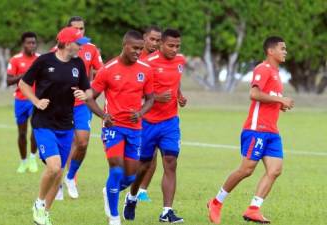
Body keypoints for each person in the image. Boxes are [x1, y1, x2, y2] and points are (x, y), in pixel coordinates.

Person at [207, 36, 294, 224]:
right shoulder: (262, 69)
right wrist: (280, 100)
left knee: (275, 169)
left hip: (272, 131)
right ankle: (216, 202)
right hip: (257, 129)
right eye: (282, 48)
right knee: (246, 170)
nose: (285, 51)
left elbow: (267, 98)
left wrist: (280, 105)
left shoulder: (277, 73)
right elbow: (253, 94)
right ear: (271, 51)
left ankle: (254, 209)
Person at [19, 27, 90, 225]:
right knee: (54, 166)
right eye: (79, 42)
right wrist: (36, 101)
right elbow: (23, 84)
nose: (82, 46)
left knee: (59, 173)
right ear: (68, 44)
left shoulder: (78, 64)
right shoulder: (44, 61)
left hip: (66, 125)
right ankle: (39, 203)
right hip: (44, 123)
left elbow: (88, 89)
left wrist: (85, 95)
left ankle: (44, 213)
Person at [85, 30, 154, 225]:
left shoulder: (145, 70)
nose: (138, 52)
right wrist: (103, 116)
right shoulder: (108, 69)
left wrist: (140, 113)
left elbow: (150, 99)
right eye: (135, 48)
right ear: (125, 45)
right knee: (116, 170)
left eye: (141, 49)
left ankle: (110, 190)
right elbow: (90, 98)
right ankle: (114, 217)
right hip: (113, 128)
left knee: (130, 176)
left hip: (135, 128)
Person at [123, 28, 187, 223]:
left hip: (170, 122)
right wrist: (157, 97)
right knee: (143, 166)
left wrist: (179, 96)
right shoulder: (146, 64)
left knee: (171, 162)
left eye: (178, 46)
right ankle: (132, 197)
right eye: (171, 45)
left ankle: (167, 211)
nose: (175, 49)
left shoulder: (180, 62)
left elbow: (175, 83)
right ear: (160, 44)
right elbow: (135, 92)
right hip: (148, 122)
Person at [57, 16, 103, 200]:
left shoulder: (91, 49)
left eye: (82, 28)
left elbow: (102, 72)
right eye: (75, 28)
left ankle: (70, 177)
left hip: (82, 104)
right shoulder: (58, 51)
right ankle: (58, 182)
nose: (79, 31)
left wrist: (91, 91)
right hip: (62, 105)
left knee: (82, 142)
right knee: (65, 143)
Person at [7, 32, 40, 173]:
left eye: (33, 42)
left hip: (36, 99)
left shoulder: (40, 59)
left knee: (36, 130)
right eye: (28, 43)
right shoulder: (15, 60)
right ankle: (23, 161)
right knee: (22, 133)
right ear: (23, 44)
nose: (31, 45)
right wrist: (25, 75)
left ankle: (33, 158)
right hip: (20, 100)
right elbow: (8, 81)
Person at [136, 25, 162, 202]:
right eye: (152, 39)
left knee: (153, 156)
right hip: (136, 115)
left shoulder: (161, 60)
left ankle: (142, 191)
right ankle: (129, 186)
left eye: (158, 40)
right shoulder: (136, 58)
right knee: (139, 157)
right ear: (144, 37)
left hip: (157, 116)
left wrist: (179, 95)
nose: (154, 43)